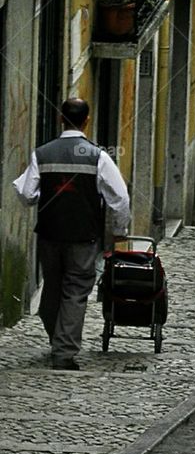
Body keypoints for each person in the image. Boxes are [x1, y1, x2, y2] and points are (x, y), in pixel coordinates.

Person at [13, 98, 130, 370]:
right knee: (76, 291)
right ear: (86, 120)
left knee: (52, 287)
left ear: (60, 119)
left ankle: (58, 338)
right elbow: (120, 198)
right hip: (83, 235)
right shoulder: (98, 155)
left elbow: (26, 193)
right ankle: (64, 351)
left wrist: (47, 196)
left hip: (49, 234)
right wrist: (119, 231)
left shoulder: (42, 153)